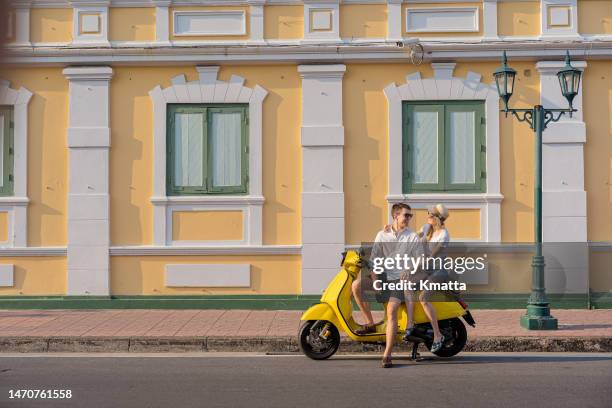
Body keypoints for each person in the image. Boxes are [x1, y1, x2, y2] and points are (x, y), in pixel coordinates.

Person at [361, 203, 421, 368]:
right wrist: (375, 279)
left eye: (410, 216)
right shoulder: (382, 234)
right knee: (356, 286)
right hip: (383, 276)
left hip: (399, 280)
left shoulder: (412, 237)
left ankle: (387, 354)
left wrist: (410, 269)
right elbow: (374, 259)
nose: (409, 219)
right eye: (406, 215)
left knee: (391, 311)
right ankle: (370, 323)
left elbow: (419, 259)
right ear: (396, 216)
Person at [403, 204, 451, 353]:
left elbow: (431, 257)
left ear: (437, 218)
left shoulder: (444, 235)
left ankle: (438, 335)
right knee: (406, 282)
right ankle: (410, 324)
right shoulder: (426, 228)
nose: (427, 217)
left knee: (424, 297)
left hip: (438, 271)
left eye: (430, 215)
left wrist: (413, 268)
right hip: (426, 269)